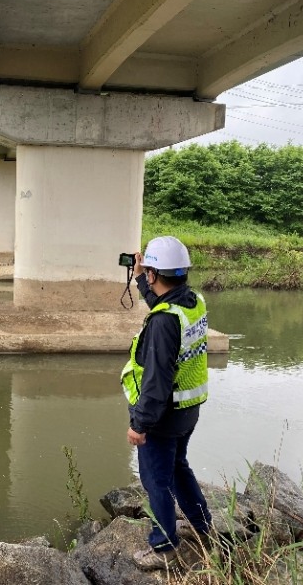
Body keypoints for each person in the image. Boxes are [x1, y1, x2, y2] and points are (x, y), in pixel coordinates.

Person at [121, 235, 212, 571]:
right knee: (178, 467)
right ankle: (201, 524)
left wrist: (139, 425)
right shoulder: (192, 302)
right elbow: (162, 302)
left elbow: (156, 381)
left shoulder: (162, 323)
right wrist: (143, 278)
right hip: (189, 409)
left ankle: (163, 546)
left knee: (156, 480)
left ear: (157, 275)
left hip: (163, 415)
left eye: (150, 274)